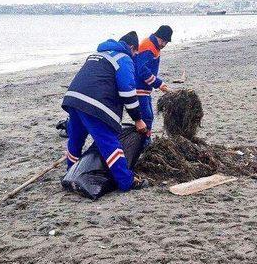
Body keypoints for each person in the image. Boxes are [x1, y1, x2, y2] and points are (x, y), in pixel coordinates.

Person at [61, 31, 148, 191]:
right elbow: (127, 91)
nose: (135, 55)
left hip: (73, 99)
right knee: (109, 142)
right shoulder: (124, 58)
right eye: (136, 52)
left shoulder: (98, 54)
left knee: (75, 140)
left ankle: (70, 173)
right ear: (131, 47)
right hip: (94, 104)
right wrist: (137, 119)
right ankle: (126, 181)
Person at [134, 25, 173, 142]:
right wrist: (159, 84)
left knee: (148, 117)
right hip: (139, 89)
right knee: (146, 117)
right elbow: (142, 70)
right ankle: (144, 143)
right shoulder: (148, 47)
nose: (164, 45)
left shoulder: (154, 47)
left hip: (145, 89)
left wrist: (157, 83)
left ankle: (146, 141)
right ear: (158, 37)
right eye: (163, 41)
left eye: (166, 42)